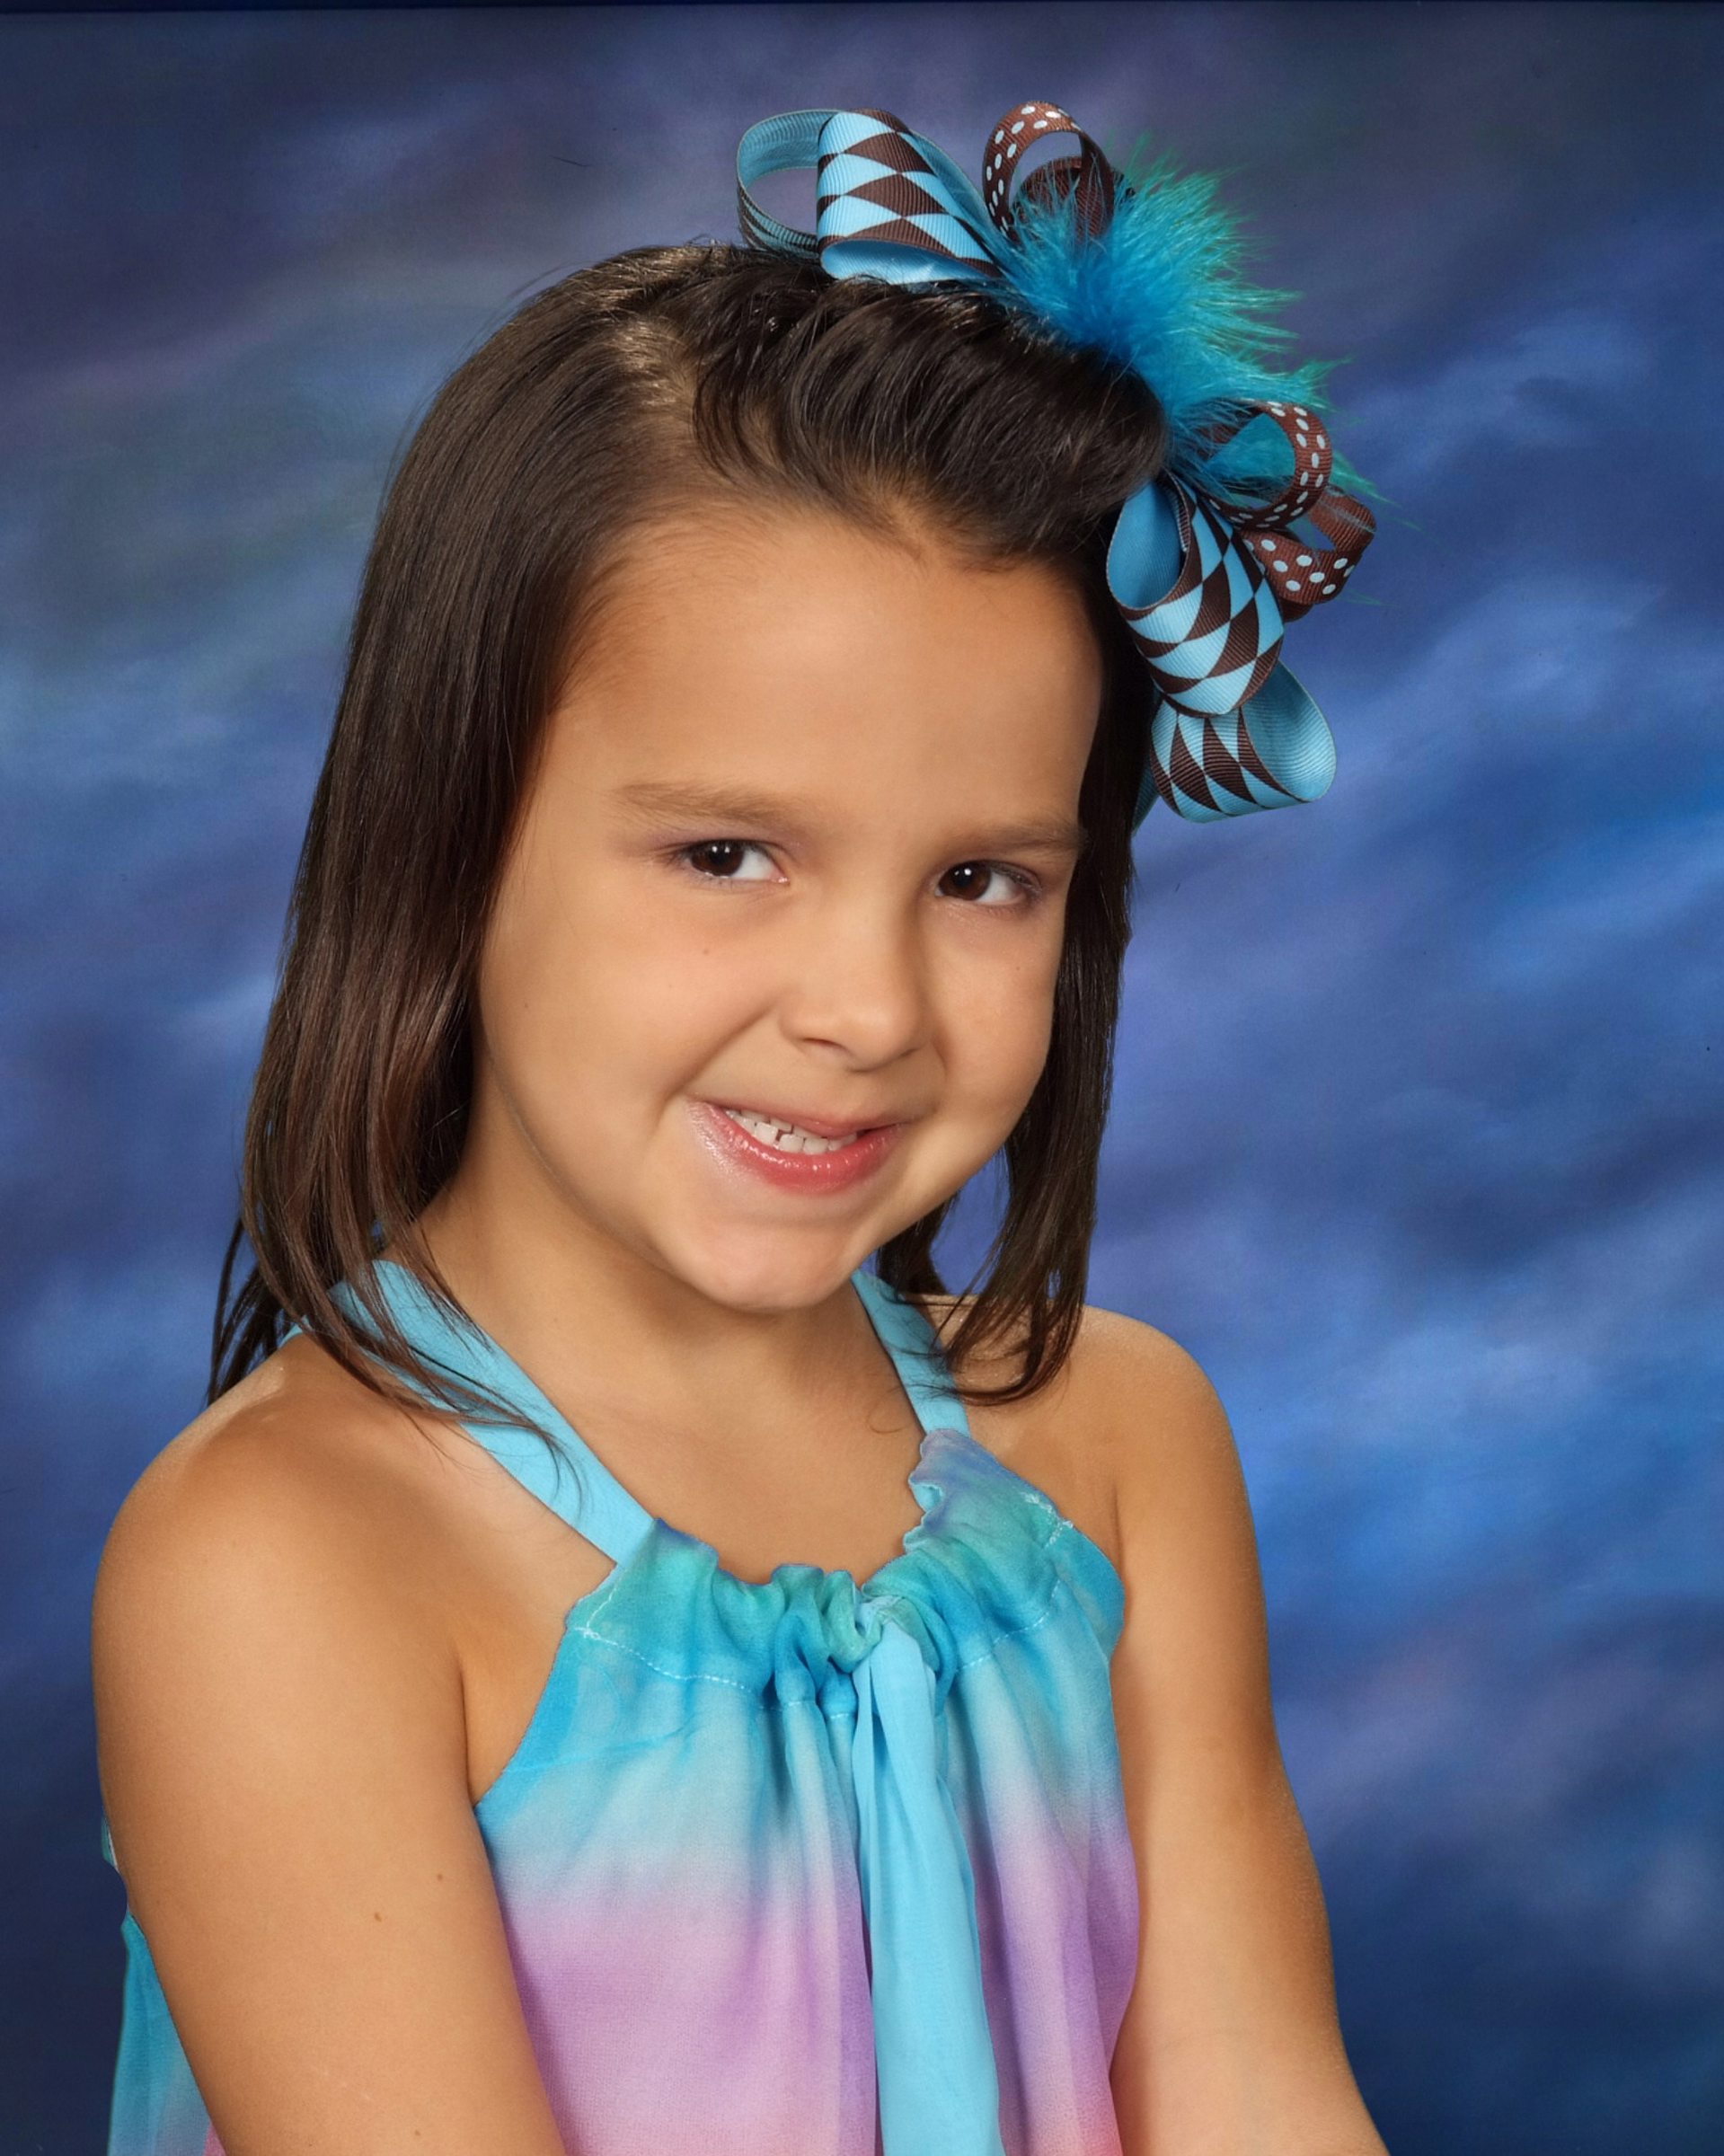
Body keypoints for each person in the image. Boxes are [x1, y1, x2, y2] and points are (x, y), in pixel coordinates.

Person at [93, 101, 1385, 2156]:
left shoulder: (1122, 1448)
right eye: (726, 854)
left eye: (982, 880)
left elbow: (1261, 2099)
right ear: (451, 832)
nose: (867, 1010)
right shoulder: (284, 1566)